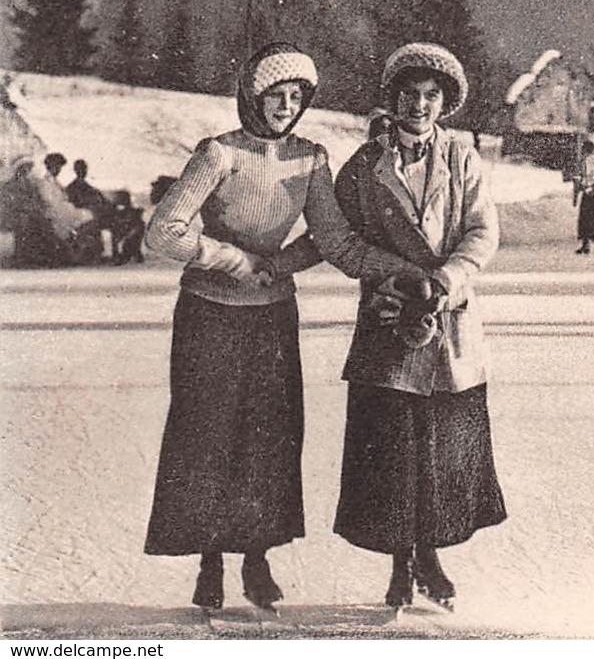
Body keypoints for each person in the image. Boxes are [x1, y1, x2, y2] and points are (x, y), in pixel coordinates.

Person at [143, 43, 421, 615]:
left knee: (270, 438)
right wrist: (232, 260)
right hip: (208, 316)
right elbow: (163, 232)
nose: (286, 107)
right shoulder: (218, 154)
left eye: (297, 98)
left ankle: (257, 558)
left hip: (272, 317)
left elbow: (334, 240)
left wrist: (394, 269)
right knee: (209, 436)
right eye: (277, 96)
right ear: (253, 95)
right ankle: (210, 562)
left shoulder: (310, 159)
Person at [331, 42, 507, 612]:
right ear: (393, 97)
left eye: (432, 96)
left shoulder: (462, 159)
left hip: (450, 324)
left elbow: (482, 232)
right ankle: (399, 565)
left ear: (445, 103)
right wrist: (397, 277)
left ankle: (430, 555)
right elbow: (346, 242)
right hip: (389, 321)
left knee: (441, 450)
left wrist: (448, 279)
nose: (420, 105)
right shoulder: (362, 167)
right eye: (410, 93)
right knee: (392, 451)